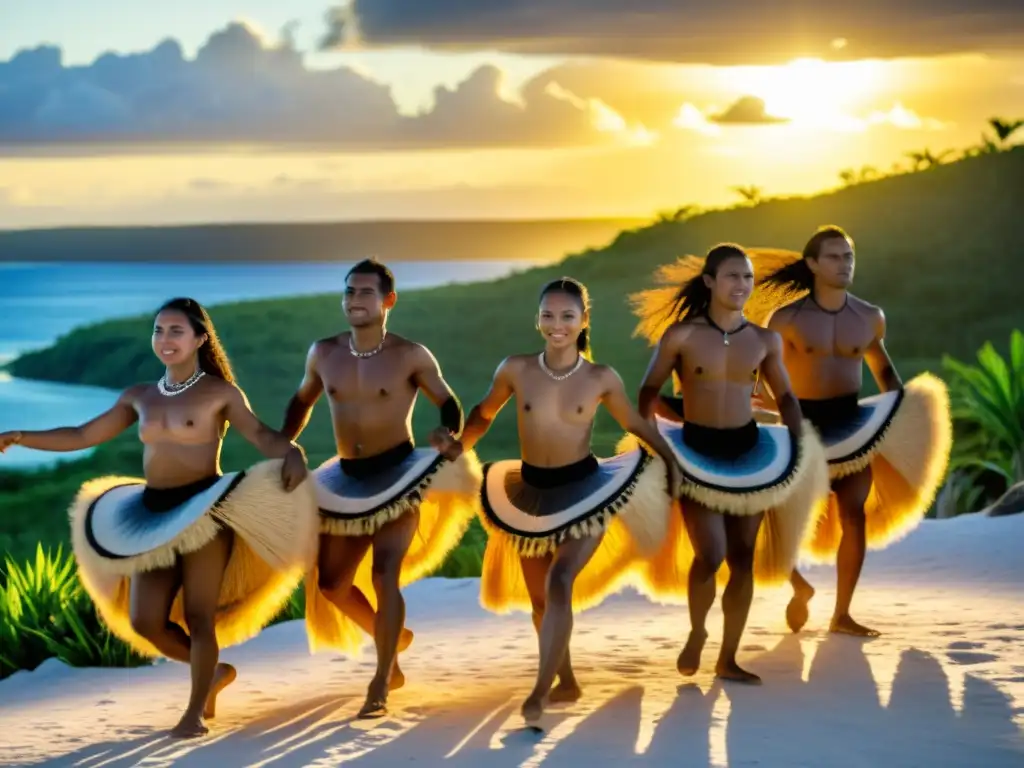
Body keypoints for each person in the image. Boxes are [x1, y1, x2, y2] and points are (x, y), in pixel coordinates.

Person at [0, 297, 318, 739]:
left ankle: (195, 712)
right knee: (145, 621)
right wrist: (19, 435)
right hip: (149, 514)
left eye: (175, 331)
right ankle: (214, 671)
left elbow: (263, 435)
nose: (164, 340)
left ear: (200, 339)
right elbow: (82, 435)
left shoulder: (220, 393)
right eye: (158, 331)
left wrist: (293, 452)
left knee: (199, 615)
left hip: (206, 510)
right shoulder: (140, 397)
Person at [455, 276, 682, 724]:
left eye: (567, 315)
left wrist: (672, 463)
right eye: (548, 315)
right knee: (540, 601)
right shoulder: (515, 369)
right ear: (537, 319)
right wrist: (455, 447)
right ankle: (567, 679)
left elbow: (636, 424)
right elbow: (483, 413)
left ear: (583, 321)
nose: (556, 324)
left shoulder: (601, 377)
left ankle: (539, 691)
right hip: (529, 494)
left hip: (586, 492)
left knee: (560, 584)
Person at [281, 257, 481, 719]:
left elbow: (448, 401)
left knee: (384, 575)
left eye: (366, 292)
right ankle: (389, 637)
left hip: (398, 477)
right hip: (346, 479)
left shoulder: (411, 355)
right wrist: (282, 443)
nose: (355, 300)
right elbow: (301, 401)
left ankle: (382, 679)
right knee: (331, 584)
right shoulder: (324, 352)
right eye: (349, 291)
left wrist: (447, 433)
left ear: (388, 301)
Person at [625, 244, 829, 684]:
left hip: (748, 453)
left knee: (742, 558)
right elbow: (648, 393)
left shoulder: (764, 340)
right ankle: (698, 631)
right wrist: (660, 445)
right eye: (733, 276)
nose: (742, 285)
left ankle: (728, 657)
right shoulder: (680, 335)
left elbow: (788, 398)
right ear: (710, 282)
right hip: (695, 453)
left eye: (748, 278)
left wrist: (798, 446)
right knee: (710, 554)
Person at [749, 225, 952, 637]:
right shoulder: (786, 318)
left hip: (852, 426)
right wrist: (777, 408)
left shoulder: (870, 316)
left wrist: (899, 417)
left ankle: (842, 614)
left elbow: (886, 375)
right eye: (834, 257)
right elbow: (763, 381)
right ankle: (799, 587)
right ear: (812, 264)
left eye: (849, 257)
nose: (844, 265)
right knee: (773, 519)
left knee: (853, 517)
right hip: (800, 426)